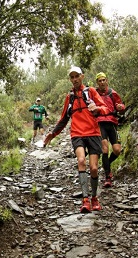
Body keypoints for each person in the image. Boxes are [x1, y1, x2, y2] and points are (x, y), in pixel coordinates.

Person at [44, 66, 109, 213]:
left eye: (76, 76)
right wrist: (52, 134)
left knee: (93, 168)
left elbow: (105, 108)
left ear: (82, 76)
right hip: (77, 133)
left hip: (93, 133)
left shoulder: (91, 92)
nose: (74, 79)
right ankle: (85, 200)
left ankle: (94, 198)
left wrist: (98, 109)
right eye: (72, 77)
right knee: (81, 161)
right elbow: (63, 119)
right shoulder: (70, 97)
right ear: (70, 79)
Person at [95, 72, 126, 188]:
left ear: (107, 80)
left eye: (104, 80)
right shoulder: (94, 94)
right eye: (100, 80)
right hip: (100, 123)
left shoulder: (113, 93)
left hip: (112, 122)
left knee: (117, 150)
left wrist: (120, 108)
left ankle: (106, 164)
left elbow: (121, 106)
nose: (102, 82)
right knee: (104, 149)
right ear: (97, 82)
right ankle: (108, 177)